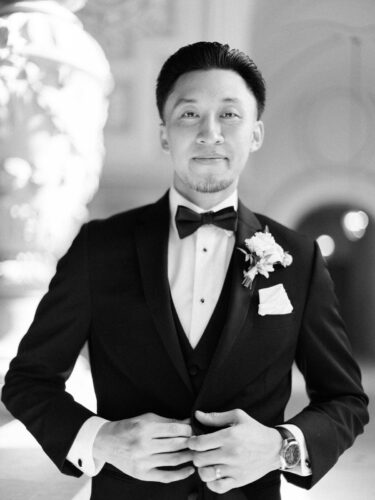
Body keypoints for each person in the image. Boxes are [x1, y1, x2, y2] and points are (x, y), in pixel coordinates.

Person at [1, 41, 369, 500]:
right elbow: (27, 383)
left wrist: (280, 447)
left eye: (229, 115)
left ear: (255, 133)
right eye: (189, 114)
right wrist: (101, 440)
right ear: (164, 133)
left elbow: (345, 400)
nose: (209, 132)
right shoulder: (99, 248)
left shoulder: (299, 257)